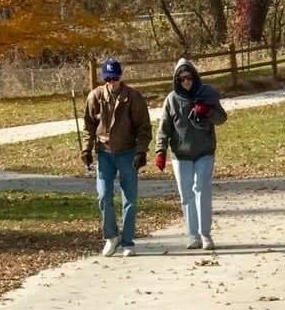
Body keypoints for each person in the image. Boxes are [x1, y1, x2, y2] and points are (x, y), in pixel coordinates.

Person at [154, 58, 227, 250]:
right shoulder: (171, 99)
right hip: (181, 154)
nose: (186, 82)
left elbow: (221, 119)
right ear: (176, 81)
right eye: (182, 79)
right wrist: (160, 150)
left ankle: (205, 235)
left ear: (195, 77)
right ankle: (193, 235)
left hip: (204, 151)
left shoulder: (207, 94)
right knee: (186, 194)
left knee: (201, 190)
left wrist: (208, 111)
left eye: (189, 78)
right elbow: (164, 128)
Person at [81, 58, 151, 257]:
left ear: (121, 77)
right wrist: (86, 150)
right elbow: (88, 127)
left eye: (115, 78)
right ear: (104, 78)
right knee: (103, 195)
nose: (112, 82)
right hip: (104, 153)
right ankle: (112, 237)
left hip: (128, 152)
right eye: (108, 78)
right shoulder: (95, 96)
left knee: (129, 198)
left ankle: (128, 241)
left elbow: (144, 128)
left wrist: (141, 151)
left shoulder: (134, 97)